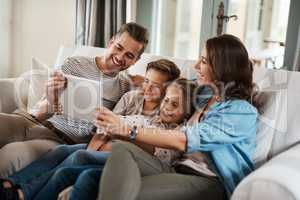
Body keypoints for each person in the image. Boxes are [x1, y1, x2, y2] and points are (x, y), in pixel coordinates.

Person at [96, 34, 258, 200]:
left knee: (131, 193)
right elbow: (175, 85)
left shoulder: (241, 112)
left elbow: (184, 140)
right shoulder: (205, 94)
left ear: (223, 67)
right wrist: (137, 79)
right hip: (176, 167)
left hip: (209, 180)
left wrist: (127, 129)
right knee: (120, 149)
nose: (196, 66)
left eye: (203, 61)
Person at [0, 78, 196, 200]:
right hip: (106, 146)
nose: (167, 107)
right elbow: (113, 125)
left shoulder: (176, 133)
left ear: (187, 112)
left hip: (126, 159)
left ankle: (22, 193)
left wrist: (119, 132)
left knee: (75, 161)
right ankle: (10, 184)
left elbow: (154, 152)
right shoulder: (147, 118)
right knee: (61, 151)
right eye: (167, 101)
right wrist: (103, 128)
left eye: (175, 104)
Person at [0, 22, 149, 177]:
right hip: (34, 122)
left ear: (136, 61)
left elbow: (170, 84)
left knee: (8, 157)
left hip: (60, 140)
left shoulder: (125, 87)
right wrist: (52, 99)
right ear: (111, 42)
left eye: (129, 55)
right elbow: (40, 114)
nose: (120, 57)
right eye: (118, 47)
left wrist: (147, 81)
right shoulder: (75, 64)